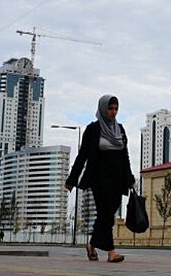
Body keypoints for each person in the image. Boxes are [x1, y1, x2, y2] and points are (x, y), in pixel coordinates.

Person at [65, 94, 135, 263]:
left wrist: (130, 178)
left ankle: (92, 245)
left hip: (118, 179)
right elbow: (82, 156)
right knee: (106, 214)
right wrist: (72, 179)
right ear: (103, 109)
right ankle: (111, 252)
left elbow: (125, 156)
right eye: (110, 108)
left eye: (116, 109)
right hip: (99, 178)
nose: (113, 112)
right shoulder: (93, 130)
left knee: (108, 213)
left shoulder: (120, 129)